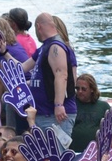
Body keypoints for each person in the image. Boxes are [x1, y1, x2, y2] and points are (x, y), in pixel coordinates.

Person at [26, 13, 77, 146]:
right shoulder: (44, 48)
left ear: (38, 27)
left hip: (54, 115)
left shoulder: (56, 46)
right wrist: (3, 53)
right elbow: (22, 67)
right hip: (42, 113)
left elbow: (62, 75)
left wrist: (59, 105)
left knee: (56, 158)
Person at [69, 73, 103, 152]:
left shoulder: (103, 107)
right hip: (72, 152)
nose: (80, 91)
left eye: (83, 89)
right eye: (77, 88)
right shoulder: (70, 105)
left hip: (95, 153)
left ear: (92, 89)